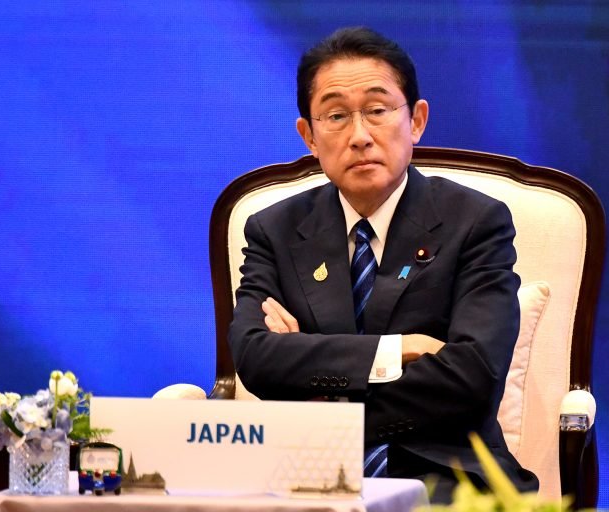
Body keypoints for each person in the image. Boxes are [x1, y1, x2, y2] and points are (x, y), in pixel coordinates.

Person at [228, 26, 538, 503]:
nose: (359, 137)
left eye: (377, 110)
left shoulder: (475, 222)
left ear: (416, 121)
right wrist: (395, 351)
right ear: (309, 136)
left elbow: (472, 376)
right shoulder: (275, 230)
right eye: (336, 116)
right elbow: (255, 357)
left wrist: (322, 399)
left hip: (449, 477)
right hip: (304, 476)